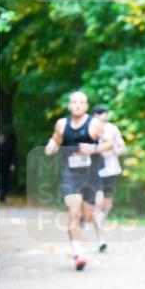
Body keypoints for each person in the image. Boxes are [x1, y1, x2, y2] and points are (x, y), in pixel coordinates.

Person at [44, 91, 114, 270]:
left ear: (86, 106)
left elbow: (109, 143)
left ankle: (81, 234)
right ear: (69, 105)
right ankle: (77, 252)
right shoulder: (62, 124)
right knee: (73, 211)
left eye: (81, 102)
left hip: (91, 175)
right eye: (74, 102)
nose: (77, 105)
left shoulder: (95, 124)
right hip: (70, 174)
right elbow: (55, 140)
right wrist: (51, 146)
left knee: (88, 215)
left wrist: (94, 148)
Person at [92, 104, 126, 247]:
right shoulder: (90, 129)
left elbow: (122, 147)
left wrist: (113, 150)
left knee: (108, 202)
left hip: (110, 169)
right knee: (97, 203)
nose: (103, 115)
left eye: (104, 113)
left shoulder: (112, 129)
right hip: (94, 171)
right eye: (100, 113)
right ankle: (101, 236)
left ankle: (101, 219)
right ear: (95, 115)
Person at [0, 130, 17, 203]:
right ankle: (0, 194)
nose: (1, 139)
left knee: (6, 182)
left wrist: (13, 164)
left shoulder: (9, 147)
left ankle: (3, 196)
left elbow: (13, 156)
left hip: (6, 168)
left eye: (3, 138)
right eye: (0, 138)